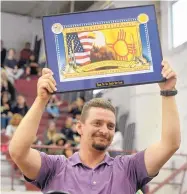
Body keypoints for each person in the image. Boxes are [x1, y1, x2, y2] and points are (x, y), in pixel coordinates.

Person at [9, 61, 180, 194]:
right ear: (79, 127)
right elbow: (18, 151)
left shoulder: (129, 168)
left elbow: (169, 144)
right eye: (97, 123)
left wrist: (168, 92)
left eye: (110, 125)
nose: (104, 130)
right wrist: (41, 100)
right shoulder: (55, 168)